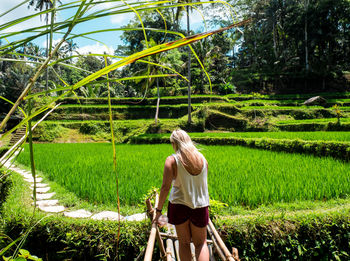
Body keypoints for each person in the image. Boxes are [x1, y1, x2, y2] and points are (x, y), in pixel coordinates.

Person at [153, 129, 210, 261]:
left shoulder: (172, 160)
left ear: (174, 143)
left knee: (184, 244)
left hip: (179, 206)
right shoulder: (203, 159)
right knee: (201, 244)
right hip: (200, 206)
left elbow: (165, 187)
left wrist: (158, 211)